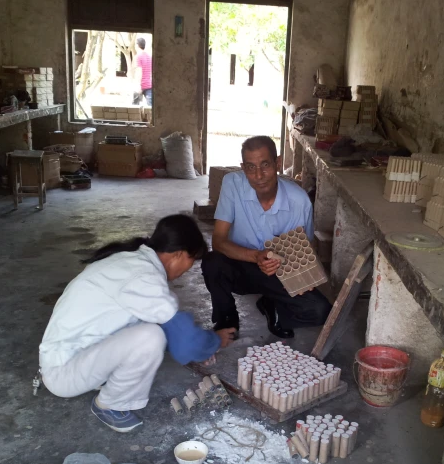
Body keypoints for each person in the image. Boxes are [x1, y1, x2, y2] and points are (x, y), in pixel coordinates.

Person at [39, 214, 235, 432]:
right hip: (63, 373)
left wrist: (201, 344)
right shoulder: (143, 278)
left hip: (75, 356)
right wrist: (213, 340)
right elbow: (185, 344)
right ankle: (110, 404)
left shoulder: (132, 260)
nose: (186, 272)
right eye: (190, 263)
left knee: (153, 327)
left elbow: (168, 323)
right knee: (150, 338)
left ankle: (104, 382)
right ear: (178, 254)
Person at [201, 136, 332, 339]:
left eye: (265, 165)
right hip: (241, 264)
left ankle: (275, 308)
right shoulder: (232, 184)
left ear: (277, 163)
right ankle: (227, 318)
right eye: (251, 168)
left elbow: (305, 251)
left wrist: (306, 274)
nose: (259, 175)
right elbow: (218, 241)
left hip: (279, 273)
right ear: (243, 168)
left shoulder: (299, 201)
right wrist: (256, 257)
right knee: (212, 262)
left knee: (321, 310)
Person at [133, 37, 152, 106]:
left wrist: (138, 86)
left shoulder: (138, 56)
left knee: (134, 110)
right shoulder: (149, 57)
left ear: (137, 45)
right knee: (150, 109)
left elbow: (139, 72)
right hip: (149, 85)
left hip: (140, 85)